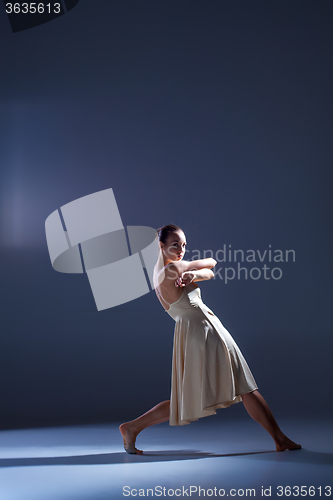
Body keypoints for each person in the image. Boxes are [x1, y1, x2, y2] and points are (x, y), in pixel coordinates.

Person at [119, 224, 301, 454]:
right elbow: (212, 262)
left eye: (184, 244)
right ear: (161, 245)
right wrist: (193, 272)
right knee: (245, 386)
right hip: (205, 328)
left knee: (189, 398)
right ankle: (280, 440)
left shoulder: (158, 273)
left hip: (192, 329)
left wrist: (193, 275)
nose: (181, 249)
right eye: (175, 244)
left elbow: (209, 272)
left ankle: (133, 427)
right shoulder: (174, 267)